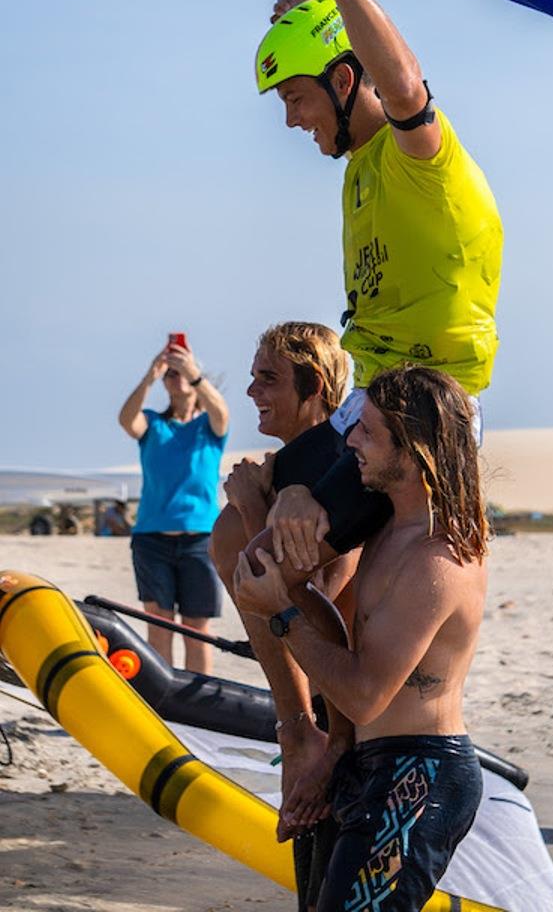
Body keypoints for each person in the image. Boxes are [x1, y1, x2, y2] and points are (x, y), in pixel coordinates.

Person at [246, 0, 503, 833]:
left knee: (287, 545)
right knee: (247, 513)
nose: (289, 118)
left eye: (300, 96)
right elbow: (353, 68)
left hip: (422, 411)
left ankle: (338, 735)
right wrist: (315, 11)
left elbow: (403, 84)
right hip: (371, 401)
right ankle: (303, 732)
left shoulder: (415, 159)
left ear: (348, 81)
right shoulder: (357, 169)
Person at [234, 365, 489, 912]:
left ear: (415, 449)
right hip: (369, 760)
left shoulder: (436, 560)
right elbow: (346, 642)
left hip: (420, 776)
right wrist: (335, 753)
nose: (350, 440)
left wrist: (280, 611)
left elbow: (365, 692)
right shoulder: (387, 532)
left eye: (368, 431)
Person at [210, 320, 357, 911]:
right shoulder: (298, 469)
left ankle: (297, 733)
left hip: (346, 723)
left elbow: (313, 598)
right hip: (332, 715)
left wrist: (249, 512)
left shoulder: (334, 476)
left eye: (267, 379)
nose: (251, 393)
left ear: (315, 383)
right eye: (250, 379)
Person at [118, 338, 229, 675]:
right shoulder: (153, 424)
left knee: (197, 632)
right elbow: (126, 420)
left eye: (180, 371)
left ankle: (196, 708)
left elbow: (222, 412)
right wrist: (151, 376)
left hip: (200, 541)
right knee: (159, 626)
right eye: (170, 373)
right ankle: (164, 706)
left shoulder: (209, 427)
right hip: (152, 540)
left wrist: (192, 372)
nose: (175, 376)